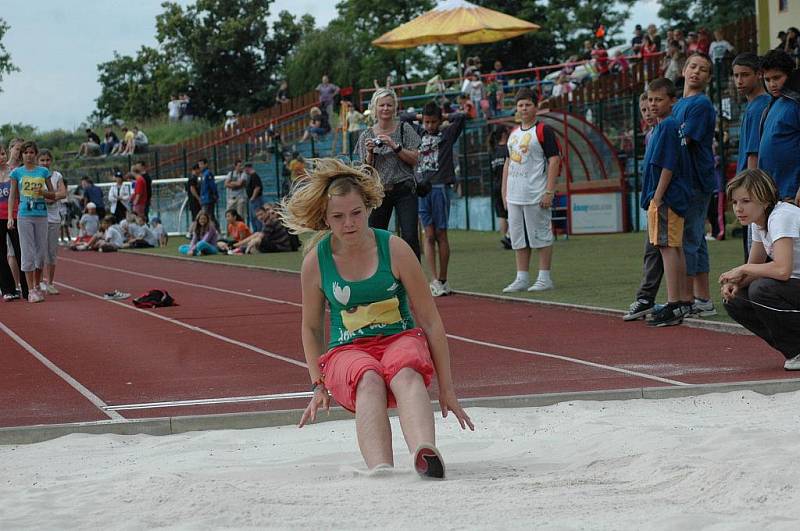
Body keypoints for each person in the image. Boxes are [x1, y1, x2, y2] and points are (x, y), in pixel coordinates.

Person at [282, 158, 473, 477]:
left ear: (369, 208)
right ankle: (380, 468)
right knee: (368, 379)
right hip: (348, 351)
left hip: (399, 338)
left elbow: (430, 321)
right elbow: (312, 327)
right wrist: (318, 384)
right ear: (325, 219)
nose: (349, 223)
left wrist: (447, 388)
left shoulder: (395, 249)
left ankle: (424, 453)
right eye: (338, 217)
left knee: (407, 373)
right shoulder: (316, 262)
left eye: (356, 213)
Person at [721, 169, 800, 371]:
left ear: (765, 201)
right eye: (735, 202)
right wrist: (735, 283)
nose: (738, 208)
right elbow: (755, 267)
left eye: (746, 201)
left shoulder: (780, 217)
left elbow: (782, 269)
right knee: (736, 298)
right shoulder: (758, 221)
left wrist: (743, 268)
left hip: (791, 282)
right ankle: (794, 350)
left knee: (761, 289)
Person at [639, 79, 692, 327]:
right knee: (674, 246)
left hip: (668, 197)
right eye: (650, 99)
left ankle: (674, 303)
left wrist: (657, 197)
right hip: (672, 195)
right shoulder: (667, 126)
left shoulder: (668, 126)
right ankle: (680, 300)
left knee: (667, 247)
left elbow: (668, 165)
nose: (653, 104)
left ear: (673, 101)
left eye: (658, 99)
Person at [501, 88, 560, 293]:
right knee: (518, 238)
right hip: (514, 194)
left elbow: (554, 160)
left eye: (527, 104)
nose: (524, 108)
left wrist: (549, 191)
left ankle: (545, 277)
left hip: (536, 192)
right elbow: (508, 164)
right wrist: (504, 193)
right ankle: (522, 277)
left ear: (536, 106)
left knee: (541, 235)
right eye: (520, 105)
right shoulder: (513, 134)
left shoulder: (544, 130)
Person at [672, 52, 717, 317]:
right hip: (687, 181)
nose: (695, 72)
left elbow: (683, 140)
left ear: (708, 77)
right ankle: (703, 299)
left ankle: (687, 300)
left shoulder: (700, 105)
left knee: (689, 238)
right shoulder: (680, 104)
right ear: (684, 69)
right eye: (692, 66)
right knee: (696, 238)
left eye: (702, 69)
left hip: (695, 181)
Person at [404, 102, 466, 297]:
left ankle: (443, 278)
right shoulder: (419, 134)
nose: (429, 126)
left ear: (439, 121)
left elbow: (462, 117)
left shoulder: (447, 135)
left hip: (440, 188)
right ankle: (433, 280)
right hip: (423, 189)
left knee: (441, 234)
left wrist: (444, 118)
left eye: (433, 122)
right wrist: (420, 118)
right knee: (428, 235)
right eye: (427, 122)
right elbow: (404, 118)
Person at [356, 88, 422, 258]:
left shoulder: (404, 129)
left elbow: (415, 159)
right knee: (375, 237)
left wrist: (394, 145)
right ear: (375, 108)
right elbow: (365, 171)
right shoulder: (366, 135)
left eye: (389, 105)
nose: (385, 108)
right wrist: (370, 152)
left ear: (395, 108)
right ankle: (380, 275)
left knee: (410, 236)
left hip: (404, 189)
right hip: (379, 191)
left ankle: (413, 278)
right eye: (382, 105)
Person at [624, 92, 663, 320]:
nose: (648, 113)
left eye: (651, 107)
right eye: (644, 111)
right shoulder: (650, 135)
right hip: (652, 200)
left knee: (658, 249)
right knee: (652, 250)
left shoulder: (665, 131)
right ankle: (646, 297)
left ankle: (648, 297)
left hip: (663, 199)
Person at [7, 141, 56, 303]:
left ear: (36, 154)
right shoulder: (16, 173)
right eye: (26, 152)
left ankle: (36, 285)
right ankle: (30, 290)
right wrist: (10, 217)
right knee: (27, 253)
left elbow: (53, 195)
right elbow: (12, 196)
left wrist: (43, 192)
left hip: (41, 215)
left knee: (40, 254)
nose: (29, 155)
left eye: (31, 152)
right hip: (24, 215)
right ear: (22, 155)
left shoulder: (43, 172)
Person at [734, 52, 771, 261]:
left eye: (745, 75)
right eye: (736, 75)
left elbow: (753, 154)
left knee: (755, 252)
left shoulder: (759, 106)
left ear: (759, 74)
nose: (739, 81)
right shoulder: (754, 106)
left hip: (753, 187)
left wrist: (748, 191)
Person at [758, 49, 800, 205]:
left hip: (792, 193)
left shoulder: (796, 103)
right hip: (771, 193)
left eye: (777, 78)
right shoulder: (771, 105)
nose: (772, 84)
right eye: (767, 79)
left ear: (789, 75)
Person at [0, 143, 28, 301]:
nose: (2, 157)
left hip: (15, 216)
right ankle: (7, 289)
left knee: (20, 251)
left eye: (3, 154)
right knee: (1, 254)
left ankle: (26, 288)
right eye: (0, 155)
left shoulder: (14, 173)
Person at [38, 149, 67, 295]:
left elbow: (63, 193)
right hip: (38, 216)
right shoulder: (35, 175)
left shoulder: (57, 176)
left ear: (51, 161)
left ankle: (50, 282)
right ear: (38, 161)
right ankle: (38, 282)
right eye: (42, 160)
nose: (45, 163)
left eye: (47, 160)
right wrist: (47, 197)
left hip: (54, 218)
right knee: (39, 252)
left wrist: (52, 197)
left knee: (51, 252)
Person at [489, 125, 512, 250]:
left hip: (496, 185)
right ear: (504, 134)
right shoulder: (508, 149)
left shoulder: (493, 151)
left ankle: (505, 237)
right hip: (507, 185)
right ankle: (509, 238)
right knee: (512, 213)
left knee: (502, 215)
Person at [198, 158, 219, 225]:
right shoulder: (203, 174)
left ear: (206, 164)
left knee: (208, 216)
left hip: (208, 198)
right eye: (199, 165)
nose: (200, 166)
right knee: (209, 215)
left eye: (201, 164)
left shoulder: (208, 173)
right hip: (204, 198)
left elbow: (212, 186)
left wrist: (215, 195)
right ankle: (214, 231)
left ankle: (216, 231)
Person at [244, 163, 263, 232]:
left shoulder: (254, 176)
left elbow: (257, 187)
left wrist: (253, 197)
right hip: (252, 200)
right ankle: (255, 231)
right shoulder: (250, 176)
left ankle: (259, 231)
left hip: (255, 200)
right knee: (252, 217)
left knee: (256, 216)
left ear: (248, 168)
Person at [186, 163, 202, 229]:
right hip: (194, 201)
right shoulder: (193, 179)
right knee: (196, 217)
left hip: (193, 201)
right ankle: (191, 231)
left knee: (196, 217)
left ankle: (192, 231)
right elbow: (192, 189)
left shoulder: (193, 178)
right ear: (196, 170)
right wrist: (198, 198)